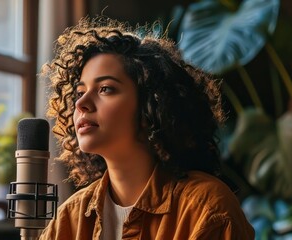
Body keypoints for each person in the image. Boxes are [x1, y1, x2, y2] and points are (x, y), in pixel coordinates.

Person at [40, 17, 254, 240]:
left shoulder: (207, 208)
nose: (80, 103)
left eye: (105, 89)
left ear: (150, 105)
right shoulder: (70, 217)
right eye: (79, 92)